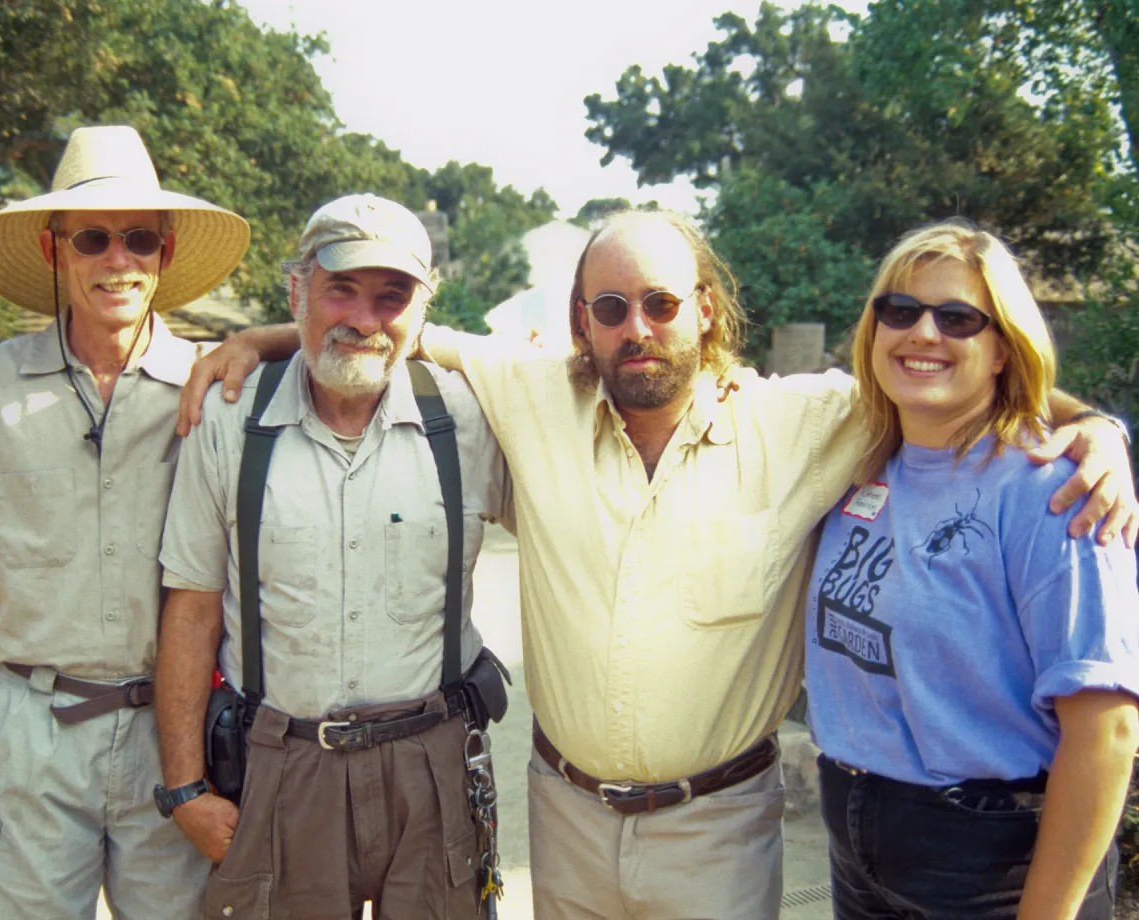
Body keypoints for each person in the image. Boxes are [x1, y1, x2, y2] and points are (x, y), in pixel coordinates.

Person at [179, 209, 1138, 919]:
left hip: (716, 830)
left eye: (661, 302)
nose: (635, 326)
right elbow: (379, 330)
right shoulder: (529, 393)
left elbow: (945, 382)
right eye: (610, 306)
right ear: (580, 322)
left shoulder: (805, 423)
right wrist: (262, 339)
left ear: (705, 311)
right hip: (566, 821)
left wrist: (1095, 428)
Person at [0, 125, 250, 919]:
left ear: (164, 253)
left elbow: (335, 358)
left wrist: (260, 338)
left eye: (138, 238)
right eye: (94, 238)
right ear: (55, 251)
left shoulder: (213, 386)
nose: (118, 260)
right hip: (31, 728)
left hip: (175, 735)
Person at [154, 194, 511, 919]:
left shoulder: (471, 418)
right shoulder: (230, 418)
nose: (364, 318)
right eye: (340, 288)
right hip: (284, 768)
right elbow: (190, 611)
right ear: (297, 293)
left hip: (433, 765)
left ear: (423, 310)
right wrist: (186, 788)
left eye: (392, 297)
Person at [806, 220, 1139, 919]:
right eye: (900, 310)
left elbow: (1107, 730)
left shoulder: (1053, 491)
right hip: (857, 845)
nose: (923, 332)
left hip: (990, 868)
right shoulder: (855, 460)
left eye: (957, 317)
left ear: (1000, 350)